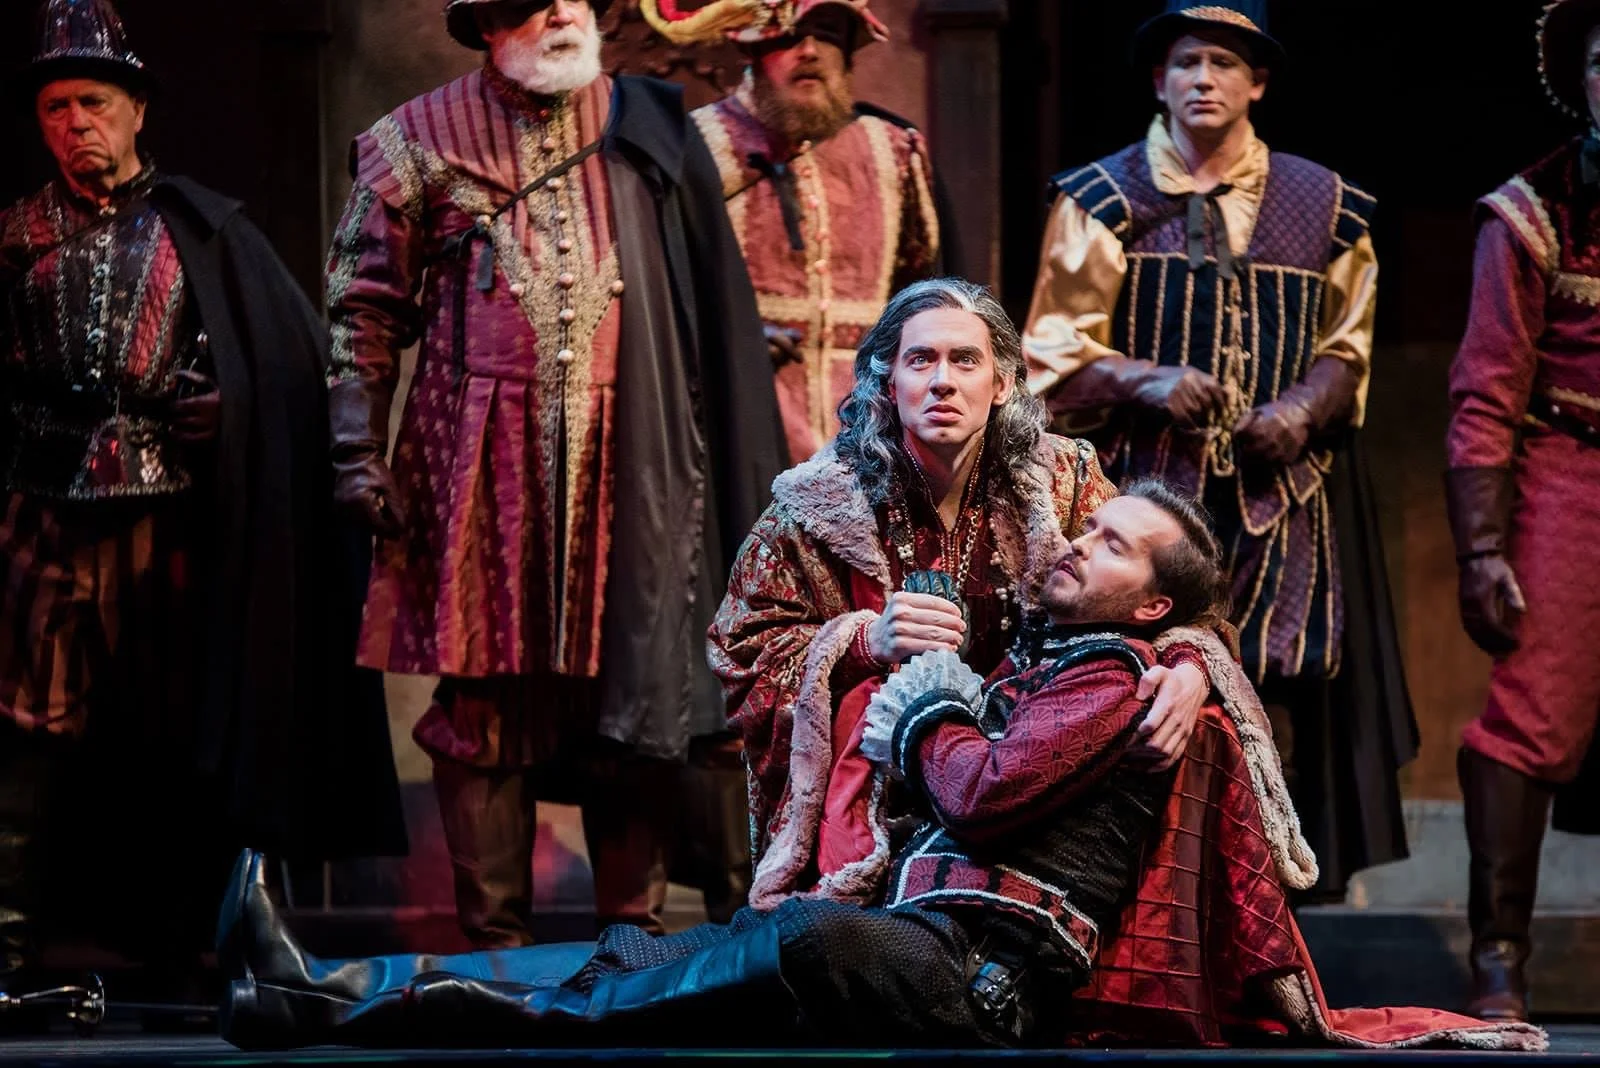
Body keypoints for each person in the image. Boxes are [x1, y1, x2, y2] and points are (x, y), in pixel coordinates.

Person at [213, 484, 1544, 1053]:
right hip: (923, 942)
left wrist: (922, 714)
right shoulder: (1066, 651)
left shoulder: (1115, 674)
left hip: (979, 979)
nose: (1076, 539)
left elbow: (980, 789)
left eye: (1110, 541)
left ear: (1153, 608)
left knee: (688, 975)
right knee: (630, 963)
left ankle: (325, 998)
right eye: (1086, 523)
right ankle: (321, 990)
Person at [324, 0, 786, 948]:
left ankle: (632, 948)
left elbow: (706, 305)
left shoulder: (648, 128)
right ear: (492, 20)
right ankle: (497, 958)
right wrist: (356, 449)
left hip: (638, 462)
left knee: (637, 691)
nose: (567, 11)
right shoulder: (414, 139)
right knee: (485, 706)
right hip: (476, 468)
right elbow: (362, 307)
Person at [0, 0, 403, 1008]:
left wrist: (236, 411)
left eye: (94, 101)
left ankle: (186, 947)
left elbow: (284, 368)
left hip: (170, 520)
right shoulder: (13, 236)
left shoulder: (202, 231)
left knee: (178, 734)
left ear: (137, 109)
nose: (75, 122)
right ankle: (8, 949)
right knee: (25, 731)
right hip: (40, 517)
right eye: (55, 107)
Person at [1018, 0, 1414, 899]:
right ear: (1159, 81)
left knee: (1274, 676)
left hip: (1280, 496)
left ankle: (1264, 893)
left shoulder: (1328, 206)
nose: (1204, 79)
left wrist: (1303, 408)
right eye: (1187, 63)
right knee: (1139, 671)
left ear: (1257, 83)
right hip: (1145, 494)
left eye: (1224, 64)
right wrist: (1144, 379)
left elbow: (1347, 348)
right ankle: (1148, 890)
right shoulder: (1105, 197)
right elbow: (1051, 353)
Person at [706, 278, 1209, 908]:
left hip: (1022, 778)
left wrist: (1189, 667)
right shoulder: (815, 504)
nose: (942, 381)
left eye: (965, 360)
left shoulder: (1062, 482)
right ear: (888, 381)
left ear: (1001, 384)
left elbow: (1171, 594)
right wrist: (862, 642)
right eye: (921, 360)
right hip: (880, 787)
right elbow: (740, 650)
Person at [1444, 0, 1600, 1022]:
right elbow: (1486, 389)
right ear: (1581, 81)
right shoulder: (1532, 213)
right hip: (1571, 465)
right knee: (1534, 709)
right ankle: (1499, 956)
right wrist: (1483, 546)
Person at [643, 0, 953, 466]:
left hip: (872, 427)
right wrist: (733, 335)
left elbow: (925, 293)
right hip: (743, 418)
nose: (809, 51)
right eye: (787, 35)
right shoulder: (695, 149)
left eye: (826, 32)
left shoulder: (894, 150)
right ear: (752, 49)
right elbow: (663, 296)